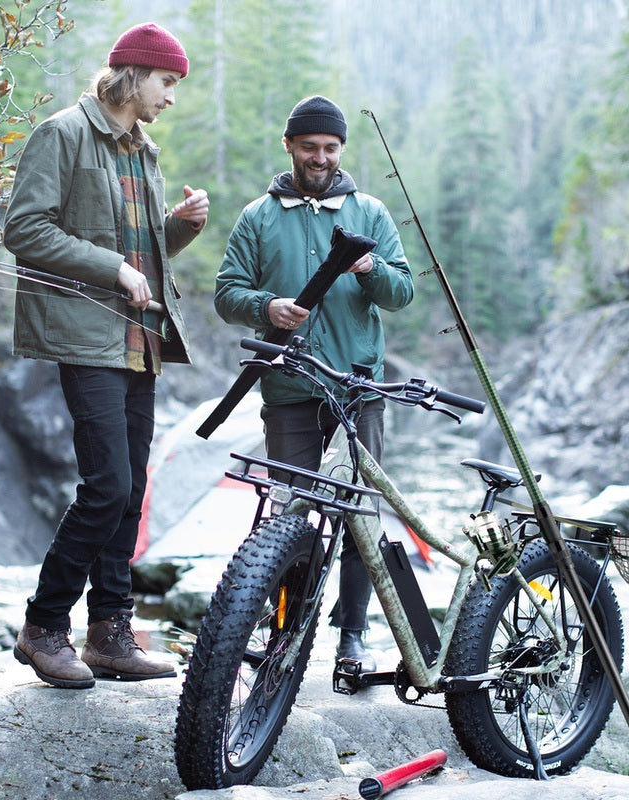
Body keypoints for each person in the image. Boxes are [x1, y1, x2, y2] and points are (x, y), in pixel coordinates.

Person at [4, 22, 208, 689]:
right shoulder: (62, 134)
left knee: (130, 493)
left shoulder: (142, 149)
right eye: (167, 82)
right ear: (133, 75)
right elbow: (25, 230)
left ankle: (110, 633)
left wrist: (178, 229)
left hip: (139, 338)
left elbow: (142, 252)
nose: (171, 97)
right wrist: (113, 267)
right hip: (85, 335)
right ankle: (42, 626)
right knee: (107, 486)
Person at [214, 95, 413, 671]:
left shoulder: (370, 214)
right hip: (288, 385)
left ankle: (352, 637)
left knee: (359, 511)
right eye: (309, 148)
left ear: (341, 150)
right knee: (288, 513)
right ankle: (284, 633)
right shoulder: (258, 217)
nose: (320, 158)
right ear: (289, 147)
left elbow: (402, 294)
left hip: (358, 389)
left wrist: (371, 268)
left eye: (330, 148)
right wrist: (267, 306)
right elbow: (227, 294)